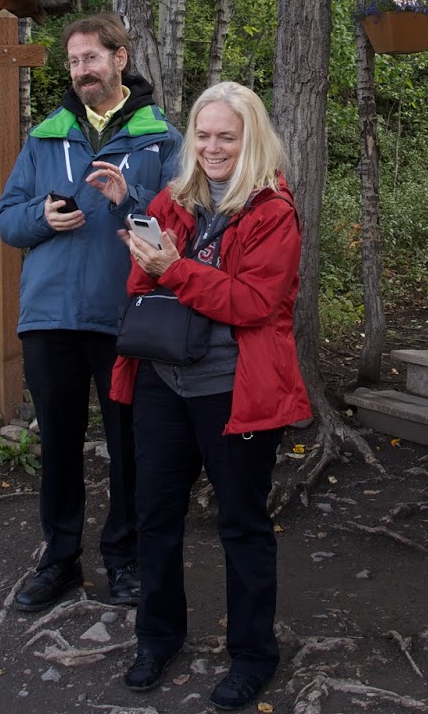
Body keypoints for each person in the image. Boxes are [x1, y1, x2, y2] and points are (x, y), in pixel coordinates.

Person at [112, 81, 311, 711]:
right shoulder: (175, 199)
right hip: (163, 383)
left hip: (234, 391)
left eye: (227, 136)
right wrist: (147, 258)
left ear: (251, 139)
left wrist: (174, 269)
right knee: (155, 516)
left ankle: (253, 656)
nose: (213, 147)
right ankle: (157, 637)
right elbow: (144, 285)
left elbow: (256, 304)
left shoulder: (272, 211)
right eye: (203, 135)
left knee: (244, 526)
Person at [0, 14, 183, 612]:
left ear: (120, 58)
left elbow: (184, 225)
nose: (82, 72)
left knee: (129, 444)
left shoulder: (162, 139)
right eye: (74, 62)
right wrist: (40, 221)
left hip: (127, 317)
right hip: (50, 317)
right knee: (58, 443)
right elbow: (8, 218)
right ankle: (60, 560)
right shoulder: (45, 136)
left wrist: (130, 204)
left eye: (91, 59)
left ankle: (123, 560)